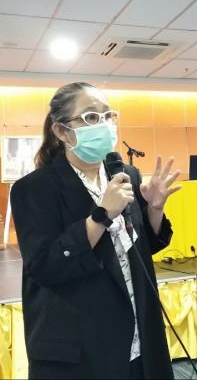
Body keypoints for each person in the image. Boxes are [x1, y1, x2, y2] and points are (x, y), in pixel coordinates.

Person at [11, 82, 181, 379]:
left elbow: (140, 249)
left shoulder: (125, 175)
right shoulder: (34, 188)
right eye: (90, 117)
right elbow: (45, 266)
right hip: (82, 346)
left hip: (140, 334)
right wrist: (101, 216)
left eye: (107, 115)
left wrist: (154, 209)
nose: (103, 124)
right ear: (62, 131)